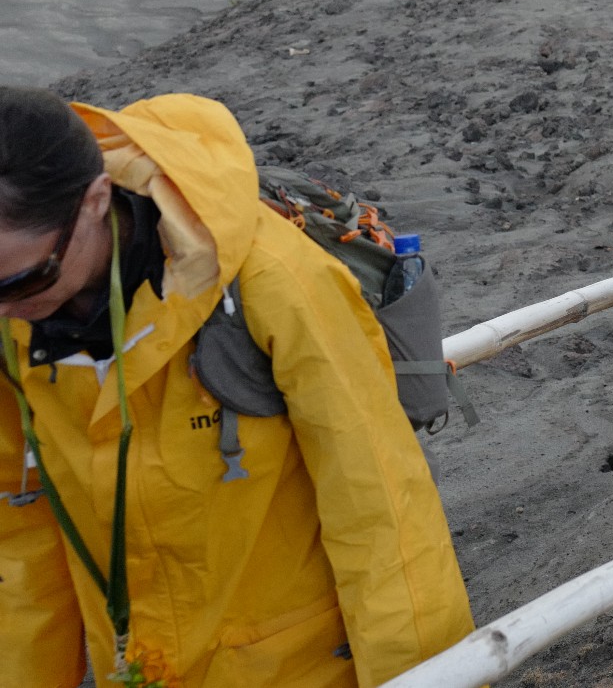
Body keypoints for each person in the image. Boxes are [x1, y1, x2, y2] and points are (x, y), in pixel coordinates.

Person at [0, 88, 473, 688]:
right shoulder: (10, 322)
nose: (8, 309)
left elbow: (382, 510)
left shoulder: (276, 282)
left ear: (95, 201)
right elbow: (20, 531)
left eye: (23, 278)